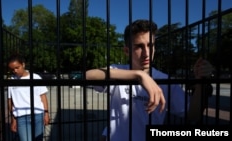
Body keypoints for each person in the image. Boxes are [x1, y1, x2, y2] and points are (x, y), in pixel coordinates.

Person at [86, 19, 214, 141]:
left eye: (150, 45)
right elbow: (87, 75)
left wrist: (200, 81)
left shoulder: (165, 80)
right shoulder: (118, 71)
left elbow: (193, 115)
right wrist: (138, 75)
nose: (146, 53)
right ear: (127, 51)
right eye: (139, 46)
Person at [7, 54, 50, 141]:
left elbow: (43, 97)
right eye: (12, 69)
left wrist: (46, 113)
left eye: (17, 67)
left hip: (37, 114)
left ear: (23, 64)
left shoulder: (35, 77)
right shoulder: (12, 80)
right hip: (21, 117)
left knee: (38, 139)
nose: (15, 71)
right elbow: (10, 101)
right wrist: (13, 118)